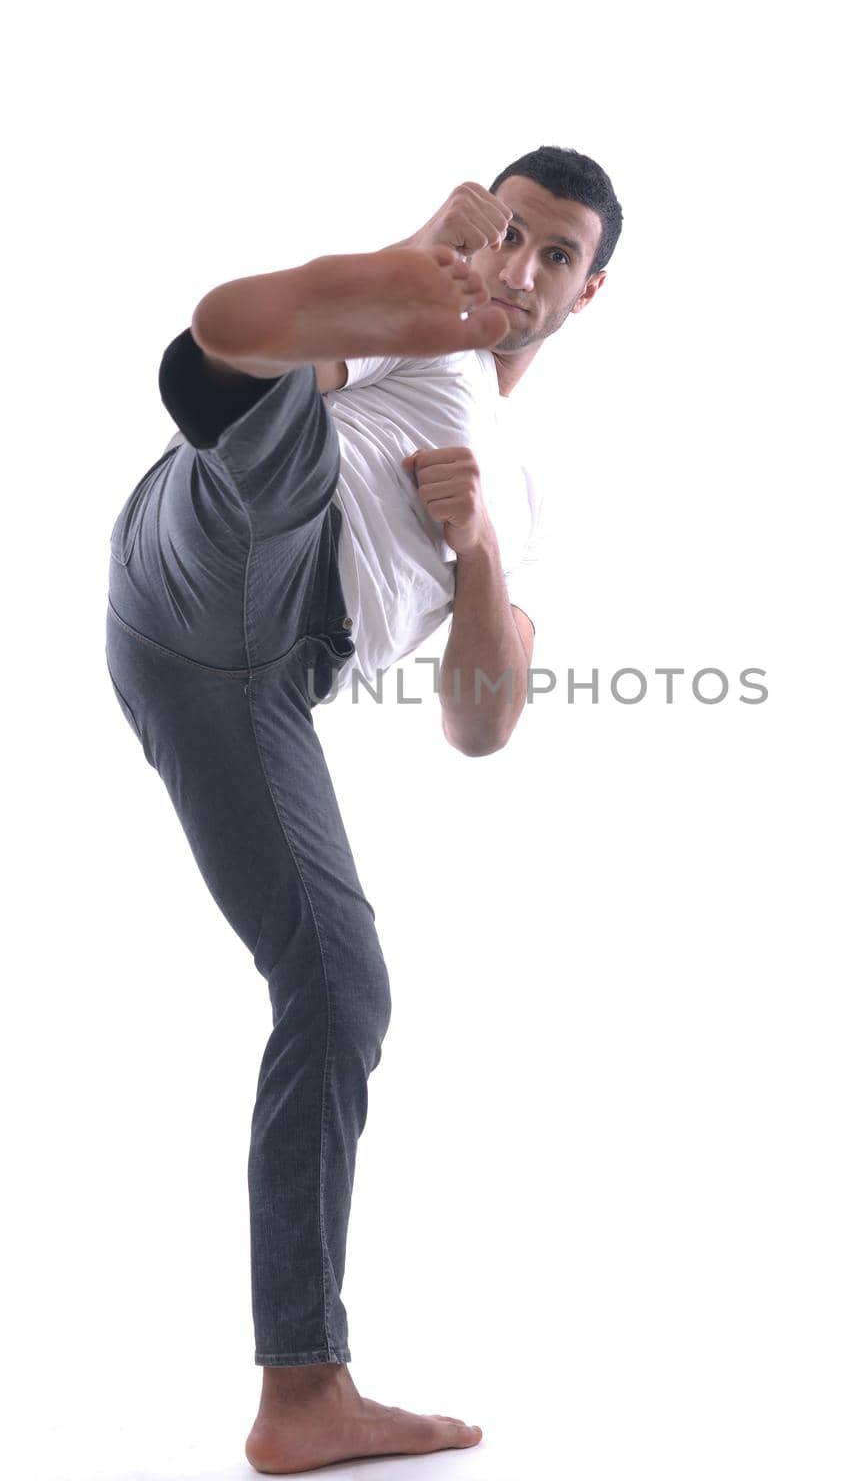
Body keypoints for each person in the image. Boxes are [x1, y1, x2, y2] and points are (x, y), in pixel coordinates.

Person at [104, 145, 622, 1473]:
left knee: (340, 992)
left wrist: (480, 551)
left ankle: (303, 1393)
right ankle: (239, 354)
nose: (522, 267)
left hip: (252, 679)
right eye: (503, 235)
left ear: (588, 292)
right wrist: (406, 294)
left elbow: (480, 725)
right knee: (271, 444)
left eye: (551, 255)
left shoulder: (530, 495)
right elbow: (321, 367)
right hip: (230, 538)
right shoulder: (435, 347)